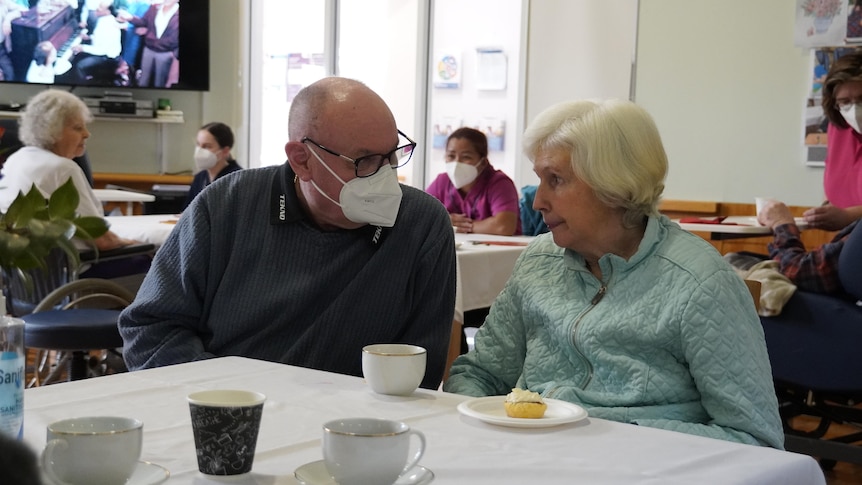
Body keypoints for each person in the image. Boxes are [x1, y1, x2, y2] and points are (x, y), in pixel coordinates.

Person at [443, 99, 784, 449]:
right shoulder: (539, 260)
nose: (537, 202)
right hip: (532, 457)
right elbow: (478, 374)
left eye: (556, 180)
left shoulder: (699, 283)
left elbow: (755, 438)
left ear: (614, 186)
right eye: (539, 180)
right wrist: (490, 426)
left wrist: (607, 438)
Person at [118, 77, 457, 389]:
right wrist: (231, 398)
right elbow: (151, 331)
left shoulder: (420, 224)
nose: (385, 177)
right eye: (364, 161)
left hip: (352, 430)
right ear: (302, 160)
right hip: (226, 416)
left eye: (393, 155)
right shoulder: (227, 206)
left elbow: (418, 370)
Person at [0, 89, 138, 254]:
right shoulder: (62, 168)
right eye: (78, 128)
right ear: (52, 131)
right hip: (72, 268)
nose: (87, 134)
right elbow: (100, 240)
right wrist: (139, 245)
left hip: (22, 269)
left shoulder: (17, 158)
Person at [735, 198, 858, 295]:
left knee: (734, 266)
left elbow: (795, 270)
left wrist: (781, 223)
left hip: (836, 307)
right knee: (738, 258)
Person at [426, 127, 521, 235]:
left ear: (483, 162)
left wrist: (455, 225)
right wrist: (445, 220)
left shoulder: (499, 183)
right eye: (451, 156)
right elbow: (420, 216)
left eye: (466, 157)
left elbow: (504, 226)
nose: (457, 163)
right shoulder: (442, 182)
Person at [810, 49, 862, 230]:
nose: (855, 110)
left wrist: (848, 216)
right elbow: (835, 189)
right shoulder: (839, 129)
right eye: (845, 102)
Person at [117, 0, 178, 88]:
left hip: (165, 53)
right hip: (148, 49)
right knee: (143, 80)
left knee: (159, 83)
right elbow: (144, 22)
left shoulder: (178, 14)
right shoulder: (154, 8)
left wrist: (150, 35)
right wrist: (130, 18)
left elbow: (175, 38)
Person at [183, 121, 242, 210]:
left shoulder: (237, 178)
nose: (199, 151)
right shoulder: (200, 178)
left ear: (225, 151)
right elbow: (187, 211)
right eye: (198, 145)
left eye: (207, 146)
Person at [0, 0, 26, 81]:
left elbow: (20, 10)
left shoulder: (4, 3)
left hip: (1, 48)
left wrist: (7, 20)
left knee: (10, 74)